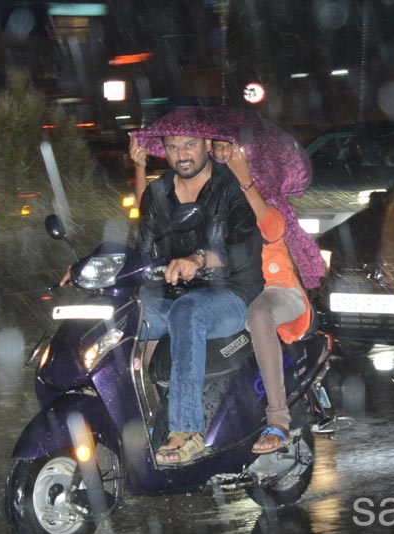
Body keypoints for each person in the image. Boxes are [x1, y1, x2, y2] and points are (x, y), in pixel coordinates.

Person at [128, 133, 263, 464]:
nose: (181, 155)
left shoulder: (230, 187)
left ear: (206, 144)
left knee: (187, 313)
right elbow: (146, 232)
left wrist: (199, 259)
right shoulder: (161, 190)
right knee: (132, 313)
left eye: (189, 145)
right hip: (178, 293)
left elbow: (240, 246)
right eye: (172, 147)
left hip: (231, 292)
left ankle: (188, 431)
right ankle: (153, 412)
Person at [211, 140, 312, 454]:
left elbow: (271, 229)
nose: (224, 154)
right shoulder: (212, 194)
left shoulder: (262, 189)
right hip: (234, 290)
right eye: (217, 148)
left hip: (278, 291)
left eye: (230, 148)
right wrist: (141, 167)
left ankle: (279, 419)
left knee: (258, 316)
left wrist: (245, 180)